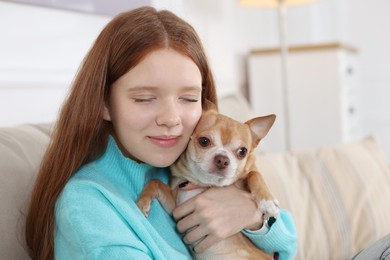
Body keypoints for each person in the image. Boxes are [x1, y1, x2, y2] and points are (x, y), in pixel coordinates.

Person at [25, 6, 297, 260]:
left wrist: (251, 216)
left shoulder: (185, 164)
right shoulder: (88, 205)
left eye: (189, 99)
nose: (170, 119)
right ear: (103, 103)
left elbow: (288, 244)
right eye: (144, 98)